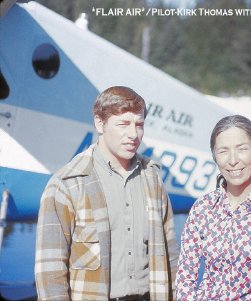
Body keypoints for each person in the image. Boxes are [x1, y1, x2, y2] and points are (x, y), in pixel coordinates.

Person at [35, 86, 179, 301]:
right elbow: (50, 270)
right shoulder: (66, 184)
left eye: (139, 125)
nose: (133, 134)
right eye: (123, 124)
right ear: (99, 123)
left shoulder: (153, 179)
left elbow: (171, 256)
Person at [175, 115, 251, 300]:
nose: (233, 160)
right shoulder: (203, 208)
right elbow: (185, 277)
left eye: (242, 149)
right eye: (223, 151)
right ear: (215, 157)